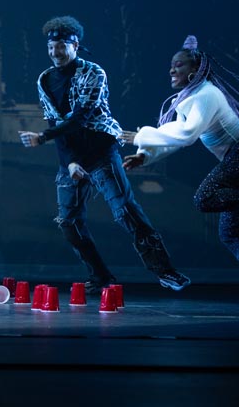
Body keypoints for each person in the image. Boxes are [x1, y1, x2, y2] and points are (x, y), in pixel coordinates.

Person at [18, 16, 188, 299]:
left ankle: (165, 270)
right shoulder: (45, 80)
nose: (55, 52)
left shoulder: (93, 73)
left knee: (126, 212)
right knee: (69, 222)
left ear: (75, 45)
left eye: (60, 46)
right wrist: (69, 161)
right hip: (71, 154)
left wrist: (42, 138)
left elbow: (80, 117)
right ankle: (100, 276)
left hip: (100, 151)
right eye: (50, 47)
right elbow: (55, 121)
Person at [121, 35, 239, 312]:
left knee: (204, 198)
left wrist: (139, 135)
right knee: (230, 233)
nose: (171, 70)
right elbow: (174, 136)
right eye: (170, 66)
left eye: (178, 65)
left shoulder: (207, 94)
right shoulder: (189, 98)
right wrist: (144, 155)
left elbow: (188, 135)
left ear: (194, 70)